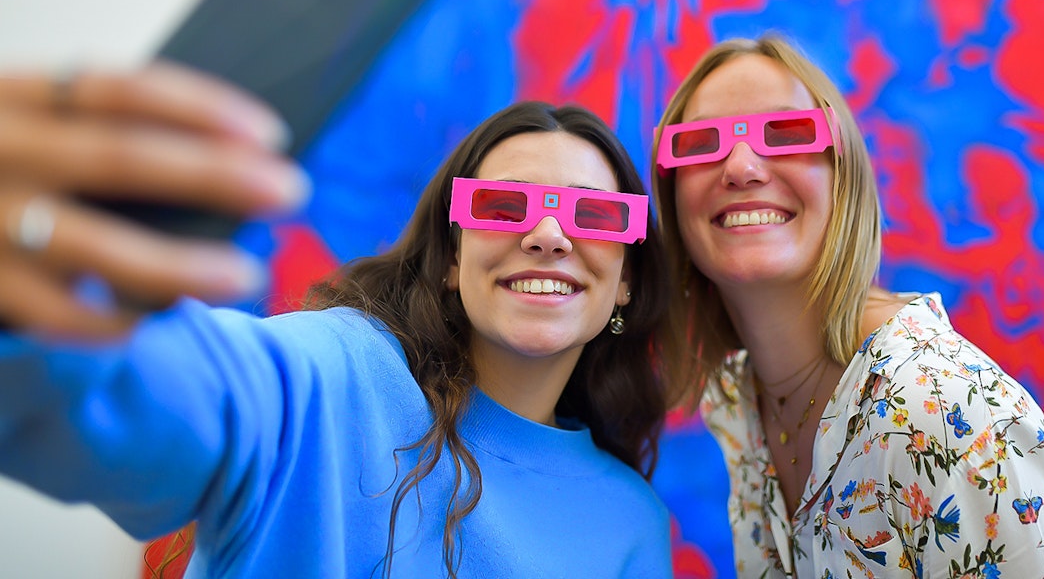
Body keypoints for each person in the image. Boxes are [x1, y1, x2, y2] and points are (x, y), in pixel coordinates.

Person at [0, 64, 674, 578]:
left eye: (595, 215)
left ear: (626, 282)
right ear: (450, 257)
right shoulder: (333, 375)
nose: (550, 234)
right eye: (504, 206)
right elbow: (151, 391)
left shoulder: (631, 524)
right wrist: (32, 301)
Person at [652, 35, 1044, 578]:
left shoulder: (944, 408)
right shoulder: (739, 404)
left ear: (846, 180)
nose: (742, 166)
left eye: (786, 133)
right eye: (700, 142)